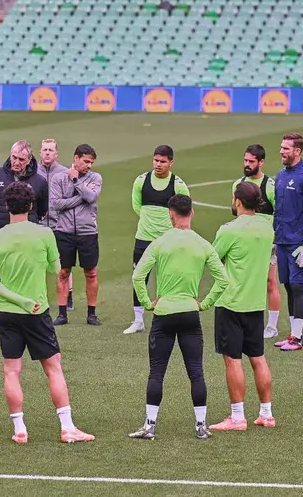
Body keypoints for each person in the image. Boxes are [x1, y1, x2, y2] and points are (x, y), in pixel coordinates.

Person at [0, 182, 94, 444]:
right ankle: (67, 428)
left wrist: (16, 298)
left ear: (7, 206)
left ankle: (19, 429)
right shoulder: (44, 234)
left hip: (8, 313)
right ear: (31, 206)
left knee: (11, 371)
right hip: (36, 311)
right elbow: (57, 269)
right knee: (53, 368)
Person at [129, 194, 229, 440]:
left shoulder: (159, 243)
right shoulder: (203, 244)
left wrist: (147, 303)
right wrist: (205, 304)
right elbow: (223, 280)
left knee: (156, 372)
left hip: (163, 314)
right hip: (189, 314)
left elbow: (137, 276)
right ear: (192, 213)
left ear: (170, 214)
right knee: (196, 371)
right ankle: (201, 427)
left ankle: (150, 426)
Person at [206, 183, 276, 432]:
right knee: (258, 357)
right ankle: (266, 413)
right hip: (256, 304)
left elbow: (213, 259)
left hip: (231, 303)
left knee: (233, 360)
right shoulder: (267, 228)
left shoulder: (229, 230)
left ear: (237, 201)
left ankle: (237, 417)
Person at [0, 140, 49, 353]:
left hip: (27, 244)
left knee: (29, 286)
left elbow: (43, 210)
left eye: (21, 159)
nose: (16, 162)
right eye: (14, 157)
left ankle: (32, 332)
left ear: (29, 160)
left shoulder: (39, 181)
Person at [125, 145, 190, 335]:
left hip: (168, 240)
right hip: (143, 238)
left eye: (162, 161)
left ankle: (166, 318)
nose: (158, 164)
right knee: (139, 277)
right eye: (156, 160)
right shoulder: (141, 181)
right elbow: (137, 207)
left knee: (167, 279)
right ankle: (138, 321)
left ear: (171, 162)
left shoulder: (178, 185)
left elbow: (184, 211)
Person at [273, 132, 303, 351]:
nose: (281, 151)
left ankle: (297, 337)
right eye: (281, 147)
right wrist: (275, 239)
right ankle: (293, 334)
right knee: (288, 286)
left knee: (298, 285)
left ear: (297, 151)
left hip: (299, 242)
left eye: (286, 148)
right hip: (282, 240)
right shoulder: (281, 175)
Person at [50, 144, 103, 326]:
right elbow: (56, 204)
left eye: (91, 162)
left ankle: (92, 313)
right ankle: (62, 313)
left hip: (87, 232)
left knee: (91, 272)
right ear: (76, 158)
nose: (89, 166)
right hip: (64, 231)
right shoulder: (58, 178)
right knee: (64, 272)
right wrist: (81, 197)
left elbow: (91, 197)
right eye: (86, 161)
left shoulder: (95, 177)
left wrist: (76, 182)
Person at [232, 145, 281, 340]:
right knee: (245, 281)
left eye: (251, 161)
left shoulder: (270, 185)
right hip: (244, 242)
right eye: (245, 160)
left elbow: (280, 213)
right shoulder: (238, 184)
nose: (247, 164)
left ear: (261, 162)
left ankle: (272, 326)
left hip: (266, 242)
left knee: (270, 282)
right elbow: (235, 212)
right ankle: (244, 321)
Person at [38, 138, 72, 310]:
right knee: (38, 259)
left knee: (64, 260)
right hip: (40, 222)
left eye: (51, 150)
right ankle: (38, 293)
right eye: (44, 150)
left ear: (57, 153)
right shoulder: (33, 171)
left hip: (60, 222)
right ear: (40, 152)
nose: (47, 153)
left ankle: (69, 294)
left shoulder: (65, 172)